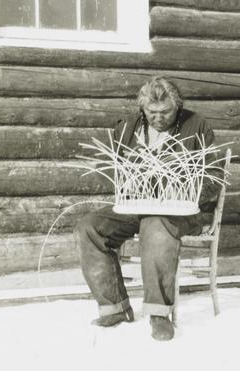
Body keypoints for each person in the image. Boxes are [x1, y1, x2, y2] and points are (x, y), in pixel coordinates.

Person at [74, 76, 222, 341]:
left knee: (155, 224)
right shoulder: (128, 127)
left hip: (180, 211)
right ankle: (115, 308)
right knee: (90, 227)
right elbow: (107, 165)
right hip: (136, 204)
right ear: (143, 108)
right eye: (151, 112)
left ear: (177, 107)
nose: (158, 118)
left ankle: (158, 313)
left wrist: (186, 192)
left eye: (165, 112)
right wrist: (124, 174)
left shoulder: (196, 125)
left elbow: (214, 177)